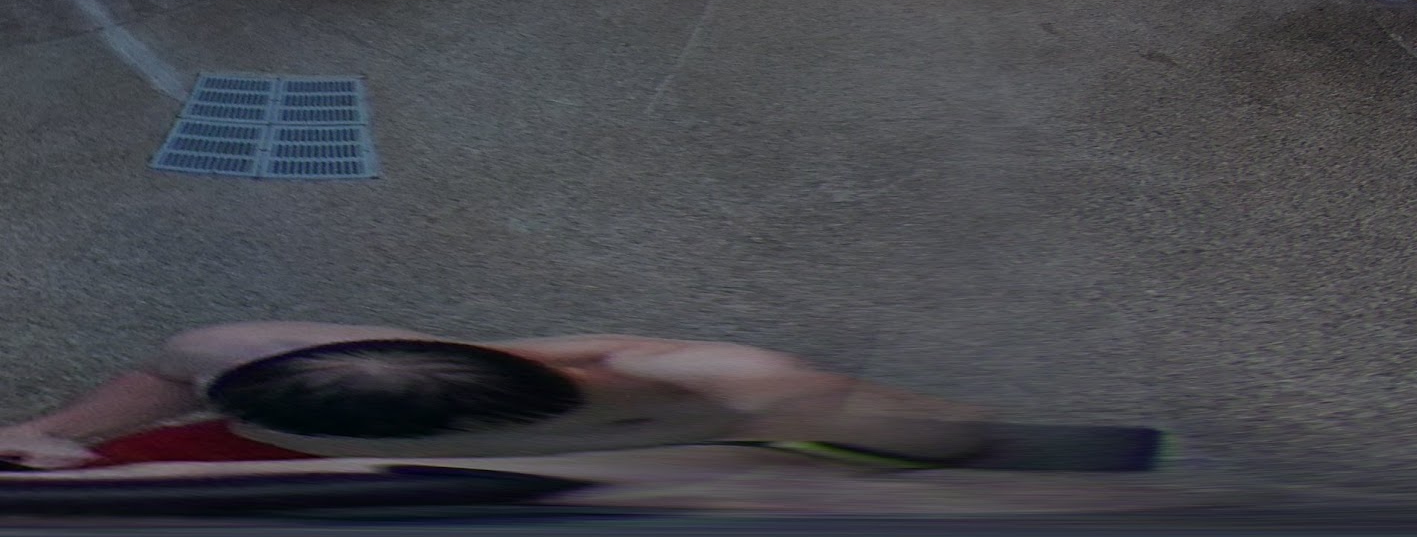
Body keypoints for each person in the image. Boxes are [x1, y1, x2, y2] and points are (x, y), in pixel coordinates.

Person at [0, 323, 989, 470]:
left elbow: (958, 438)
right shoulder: (247, 355)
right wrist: (46, 431)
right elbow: (181, 362)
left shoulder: (724, 391)